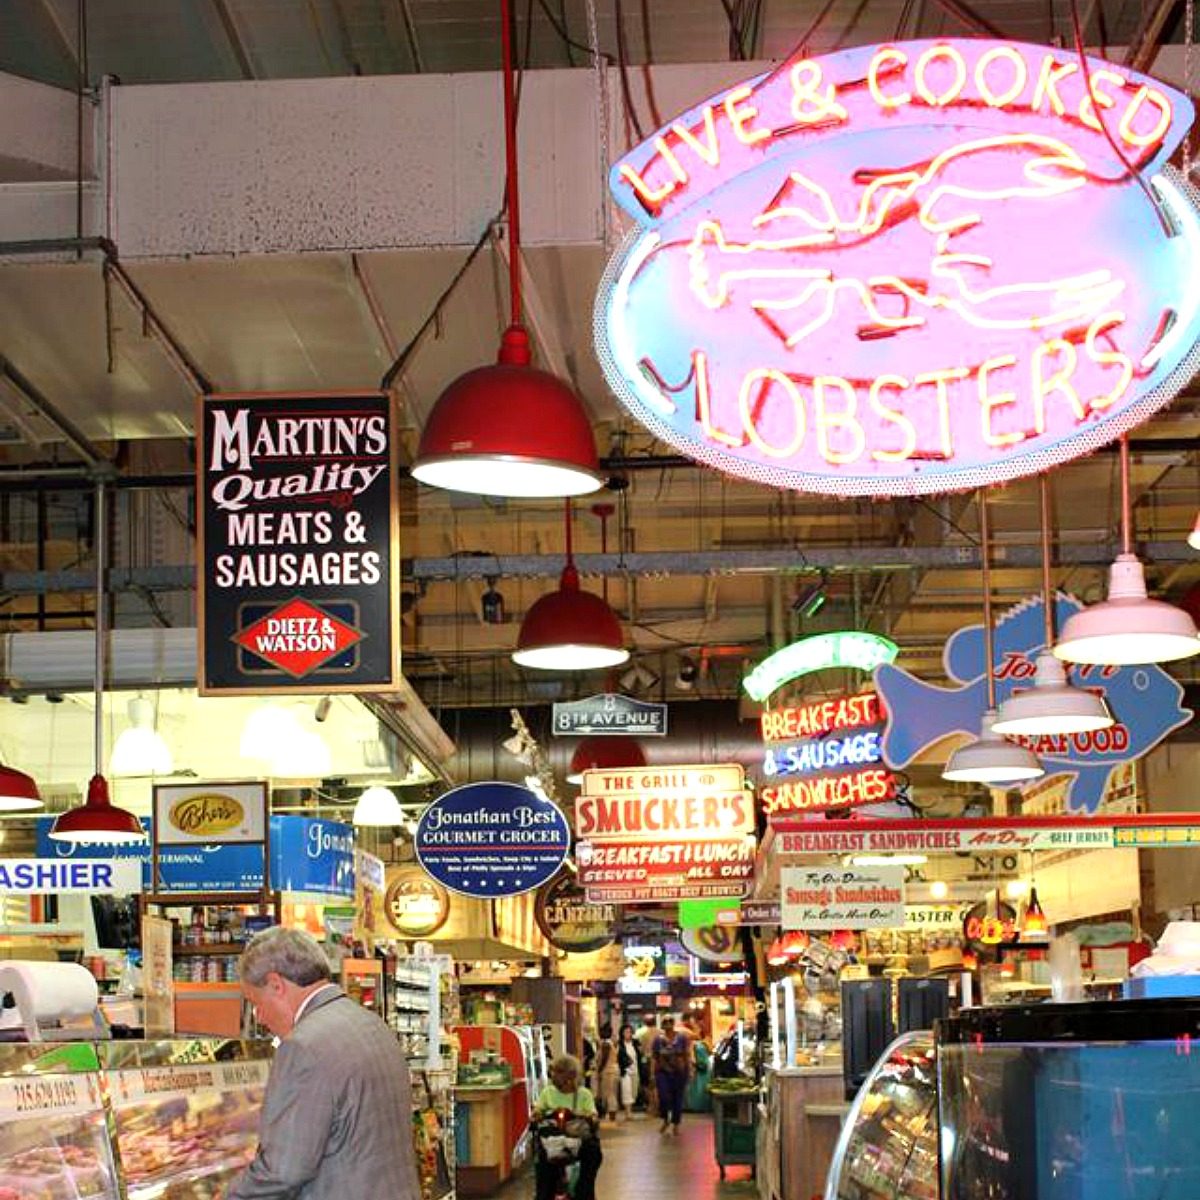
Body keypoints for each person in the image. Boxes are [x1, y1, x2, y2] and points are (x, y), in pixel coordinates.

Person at [225, 927, 421, 1200]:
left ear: (276, 985)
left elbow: (284, 1171)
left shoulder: (302, 1046)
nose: (259, 1017)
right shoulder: (371, 1024)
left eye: (256, 1003)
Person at [533, 1054, 602, 1200]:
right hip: (553, 1142)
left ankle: (584, 1192)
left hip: (578, 1140)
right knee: (543, 1163)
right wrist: (537, 1114)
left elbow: (593, 1116)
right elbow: (537, 1111)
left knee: (593, 1153)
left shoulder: (584, 1094)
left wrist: (588, 1116)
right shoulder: (548, 1092)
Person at [651, 1015, 690, 1135]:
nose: (668, 1023)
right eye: (665, 1021)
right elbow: (654, 1057)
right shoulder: (658, 1039)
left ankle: (676, 1124)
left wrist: (689, 1070)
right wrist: (652, 1073)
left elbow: (686, 1054)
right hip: (662, 1072)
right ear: (662, 1024)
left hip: (679, 1072)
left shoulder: (682, 1038)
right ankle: (665, 1119)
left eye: (670, 1021)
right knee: (664, 1097)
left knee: (677, 1098)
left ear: (673, 1023)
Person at [595, 1023, 620, 1121]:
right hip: (613, 1070)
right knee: (612, 1093)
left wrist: (599, 1070)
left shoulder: (606, 1044)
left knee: (609, 1094)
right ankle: (612, 1115)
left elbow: (604, 1059)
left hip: (608, 1071)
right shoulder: (612, 1043)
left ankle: (612, 1116)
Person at [616, 1023, 640, 1120]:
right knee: (627, 1091)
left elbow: (639, 1056)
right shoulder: (619, 1045)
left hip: (635, 1070)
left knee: (634, 1092)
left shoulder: (635, 1043)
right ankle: (628, 1113)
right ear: (622, 1033)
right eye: (626, 1032)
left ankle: (630, 1110)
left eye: (630, 1032)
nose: (628, 1034)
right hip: (625, 1071)